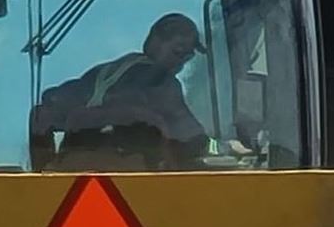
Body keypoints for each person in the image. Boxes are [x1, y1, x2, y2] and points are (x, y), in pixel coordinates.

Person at [29, 13, 209, 170]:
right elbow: (191, 138)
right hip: (135, 180)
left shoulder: (101, 73)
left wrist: (44, 169)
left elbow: (44, 112)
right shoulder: (162, 84)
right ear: (154, 41)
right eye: (178, 52)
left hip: (70, 175)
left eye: (189, 56)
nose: (182, 62)